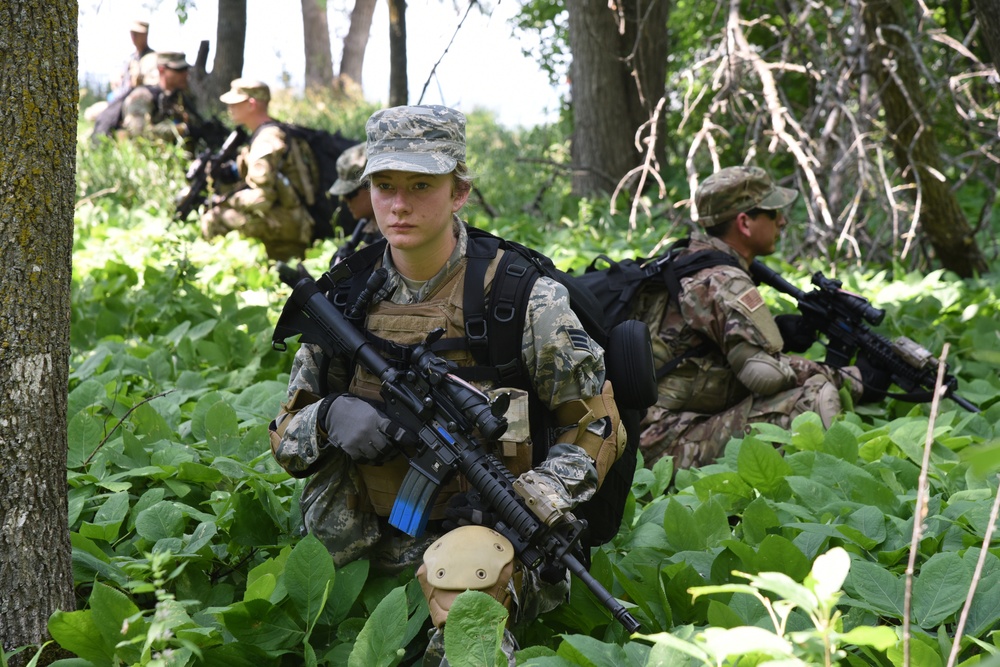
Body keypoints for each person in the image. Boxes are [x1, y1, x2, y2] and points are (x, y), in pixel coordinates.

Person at [269, 105, 624, 664]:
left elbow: (598, 424)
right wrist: (330, 416)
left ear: (459, 192)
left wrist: (539, 494)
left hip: (490, 533)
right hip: (362, 534)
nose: (399, 204)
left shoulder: (522, 297)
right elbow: (286, 436)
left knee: (464, 602)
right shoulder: (345, 296)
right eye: (384, 185)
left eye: (420, 185)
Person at [636, 166, 881, 469]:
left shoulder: (685, 259)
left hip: (637, 431)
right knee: (813, 397)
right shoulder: (725, 280)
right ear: (745, 223)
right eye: (773, 212)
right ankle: (831, 485)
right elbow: (765, 375)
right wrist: (856, 379)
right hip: (662, 445)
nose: (782, 220)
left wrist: (778, 331)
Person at [199, 78, 320, 262]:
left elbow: (262, 198)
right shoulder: (272, 131)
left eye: (235, 103)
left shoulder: (266, 140)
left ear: (251, 104)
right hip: (294, 219)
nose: (229, 108)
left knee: (213, 218)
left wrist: (226, 201)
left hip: (290, 224)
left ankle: (229, 268)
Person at [119, 52, 207, 146]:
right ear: (161, 70)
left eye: (185, 69)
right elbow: (139, 134)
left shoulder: (180, 97)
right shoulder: (142, 96)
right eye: (179, 70)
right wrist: (181, 129)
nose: (185, 74)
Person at [327, 143, 383, 265]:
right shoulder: (367, 224)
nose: (344, 200)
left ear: (371, 185)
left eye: (350, 194)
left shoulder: (390, 232)